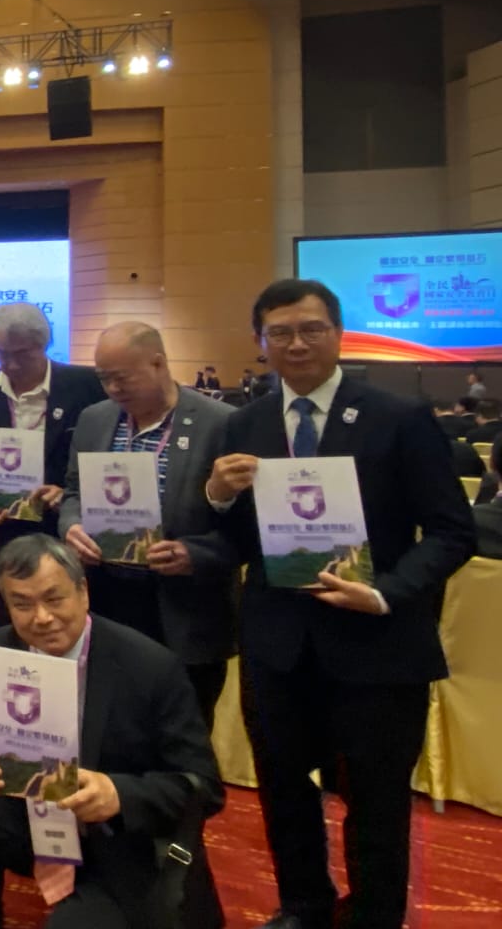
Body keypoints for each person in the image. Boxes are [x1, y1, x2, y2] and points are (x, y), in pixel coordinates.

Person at [206, 278, 475, 929]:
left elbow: (452, 531)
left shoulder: (399, 417)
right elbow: (239, 543)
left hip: (377, 645)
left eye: (311, 329)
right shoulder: (244, 424)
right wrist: (218, 495)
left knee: (377, 799)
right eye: (280, 333)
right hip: (278, 644)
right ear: (261, 342)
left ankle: (375, 916)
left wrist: (385, 594)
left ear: (338, 334)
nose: (296, 344)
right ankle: (303, 906)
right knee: (283, 789)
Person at [0, 534, 225, 929]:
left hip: (117, 839)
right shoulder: (1, 647)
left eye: (54, 599)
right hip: (32, 817)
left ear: (83, 592)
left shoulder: (151, 666)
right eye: (22, 604)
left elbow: (204, 787)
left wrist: (118, 793)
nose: (41, 618)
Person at [58, 322, 237, 729]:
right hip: (108, 595)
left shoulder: (221, 423)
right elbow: (73, 491)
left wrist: (196, 554)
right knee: (109, 723)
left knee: (183, 730)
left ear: (158, 363)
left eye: (123, 377)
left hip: (183, 606)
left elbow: (247, 526)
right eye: (104, 378)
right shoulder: (94, 419)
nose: (113, 388)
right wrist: (71, 526)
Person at [0, 302, 108, 622]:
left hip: (69, 534)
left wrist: (68, 496)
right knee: (12, 623)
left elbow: (106, 454)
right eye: (2, 354)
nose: (12, 364)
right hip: (8, 532)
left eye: (23, 354)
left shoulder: (85, 386)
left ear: (44, 344)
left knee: (67, 622)